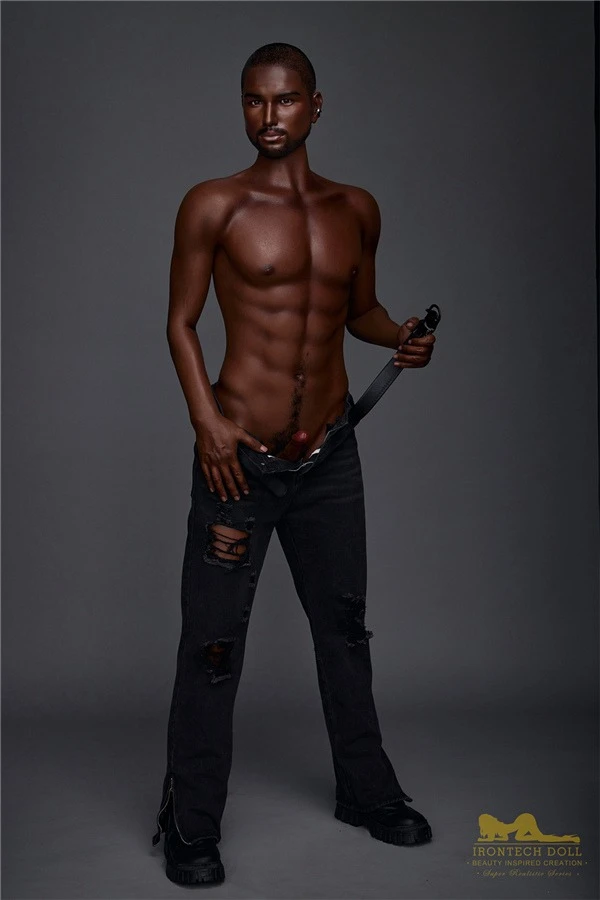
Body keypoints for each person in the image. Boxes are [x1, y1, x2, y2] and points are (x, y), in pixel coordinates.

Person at [152, 42, 436, 886]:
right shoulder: (214, 204)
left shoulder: (357, 209)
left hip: (329, 455)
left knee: (345, 631)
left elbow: (361, 309)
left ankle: (367, 793)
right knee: (213, 647)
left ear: (316, 105)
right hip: (237, 458)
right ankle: (190, 823)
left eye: (283, 100)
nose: (268, 116)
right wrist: (205, 422)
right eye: (253, 100)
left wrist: (400, 336)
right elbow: (179, 322)